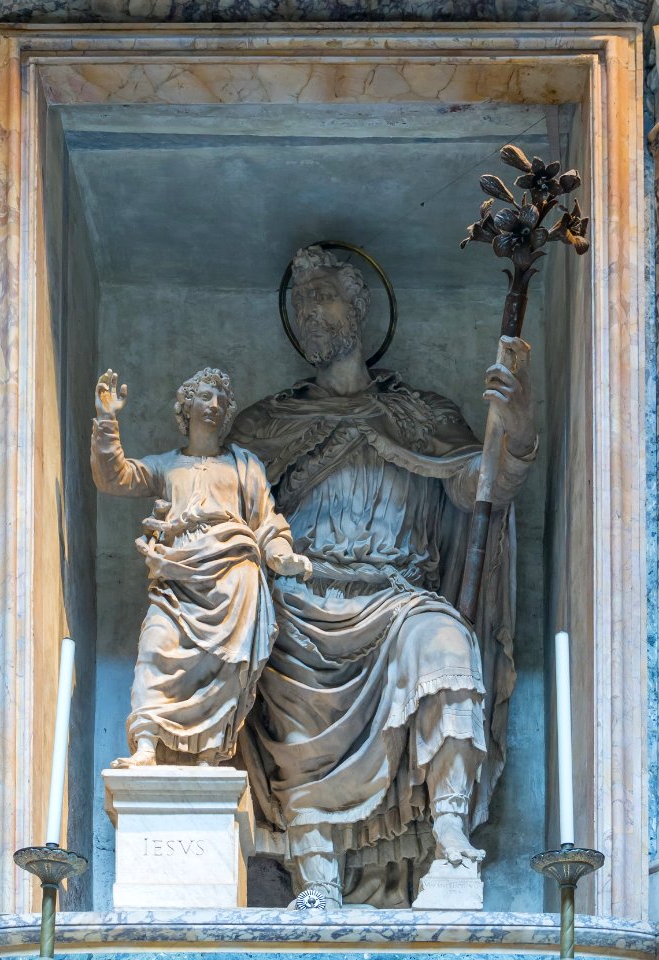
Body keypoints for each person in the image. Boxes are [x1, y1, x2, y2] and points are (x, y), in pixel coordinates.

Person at [230, 246, 537, 908]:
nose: (308, 314)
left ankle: (451, 843)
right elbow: (222, 520)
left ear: (361, 307)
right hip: (299, 606)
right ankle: (310, 868)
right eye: (299, 305)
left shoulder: (421, 416)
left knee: (447, 647)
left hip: (397, 601)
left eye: (322, 299)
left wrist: (514, 431)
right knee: (264, 650)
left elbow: (483, 490)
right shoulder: (266, 426)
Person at [91, 366, 311, 769]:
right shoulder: (168, 466)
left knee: (225, 665)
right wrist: (108, 420)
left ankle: (211, 751)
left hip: (233, 581)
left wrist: (282, 554)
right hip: (178, 580)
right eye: (205, 396)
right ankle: (145, 744)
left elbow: (267, 523)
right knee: (155, 648)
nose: (214, 405)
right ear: (185, 405)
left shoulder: (244, 466)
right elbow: (115, 477)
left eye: (221, 401)